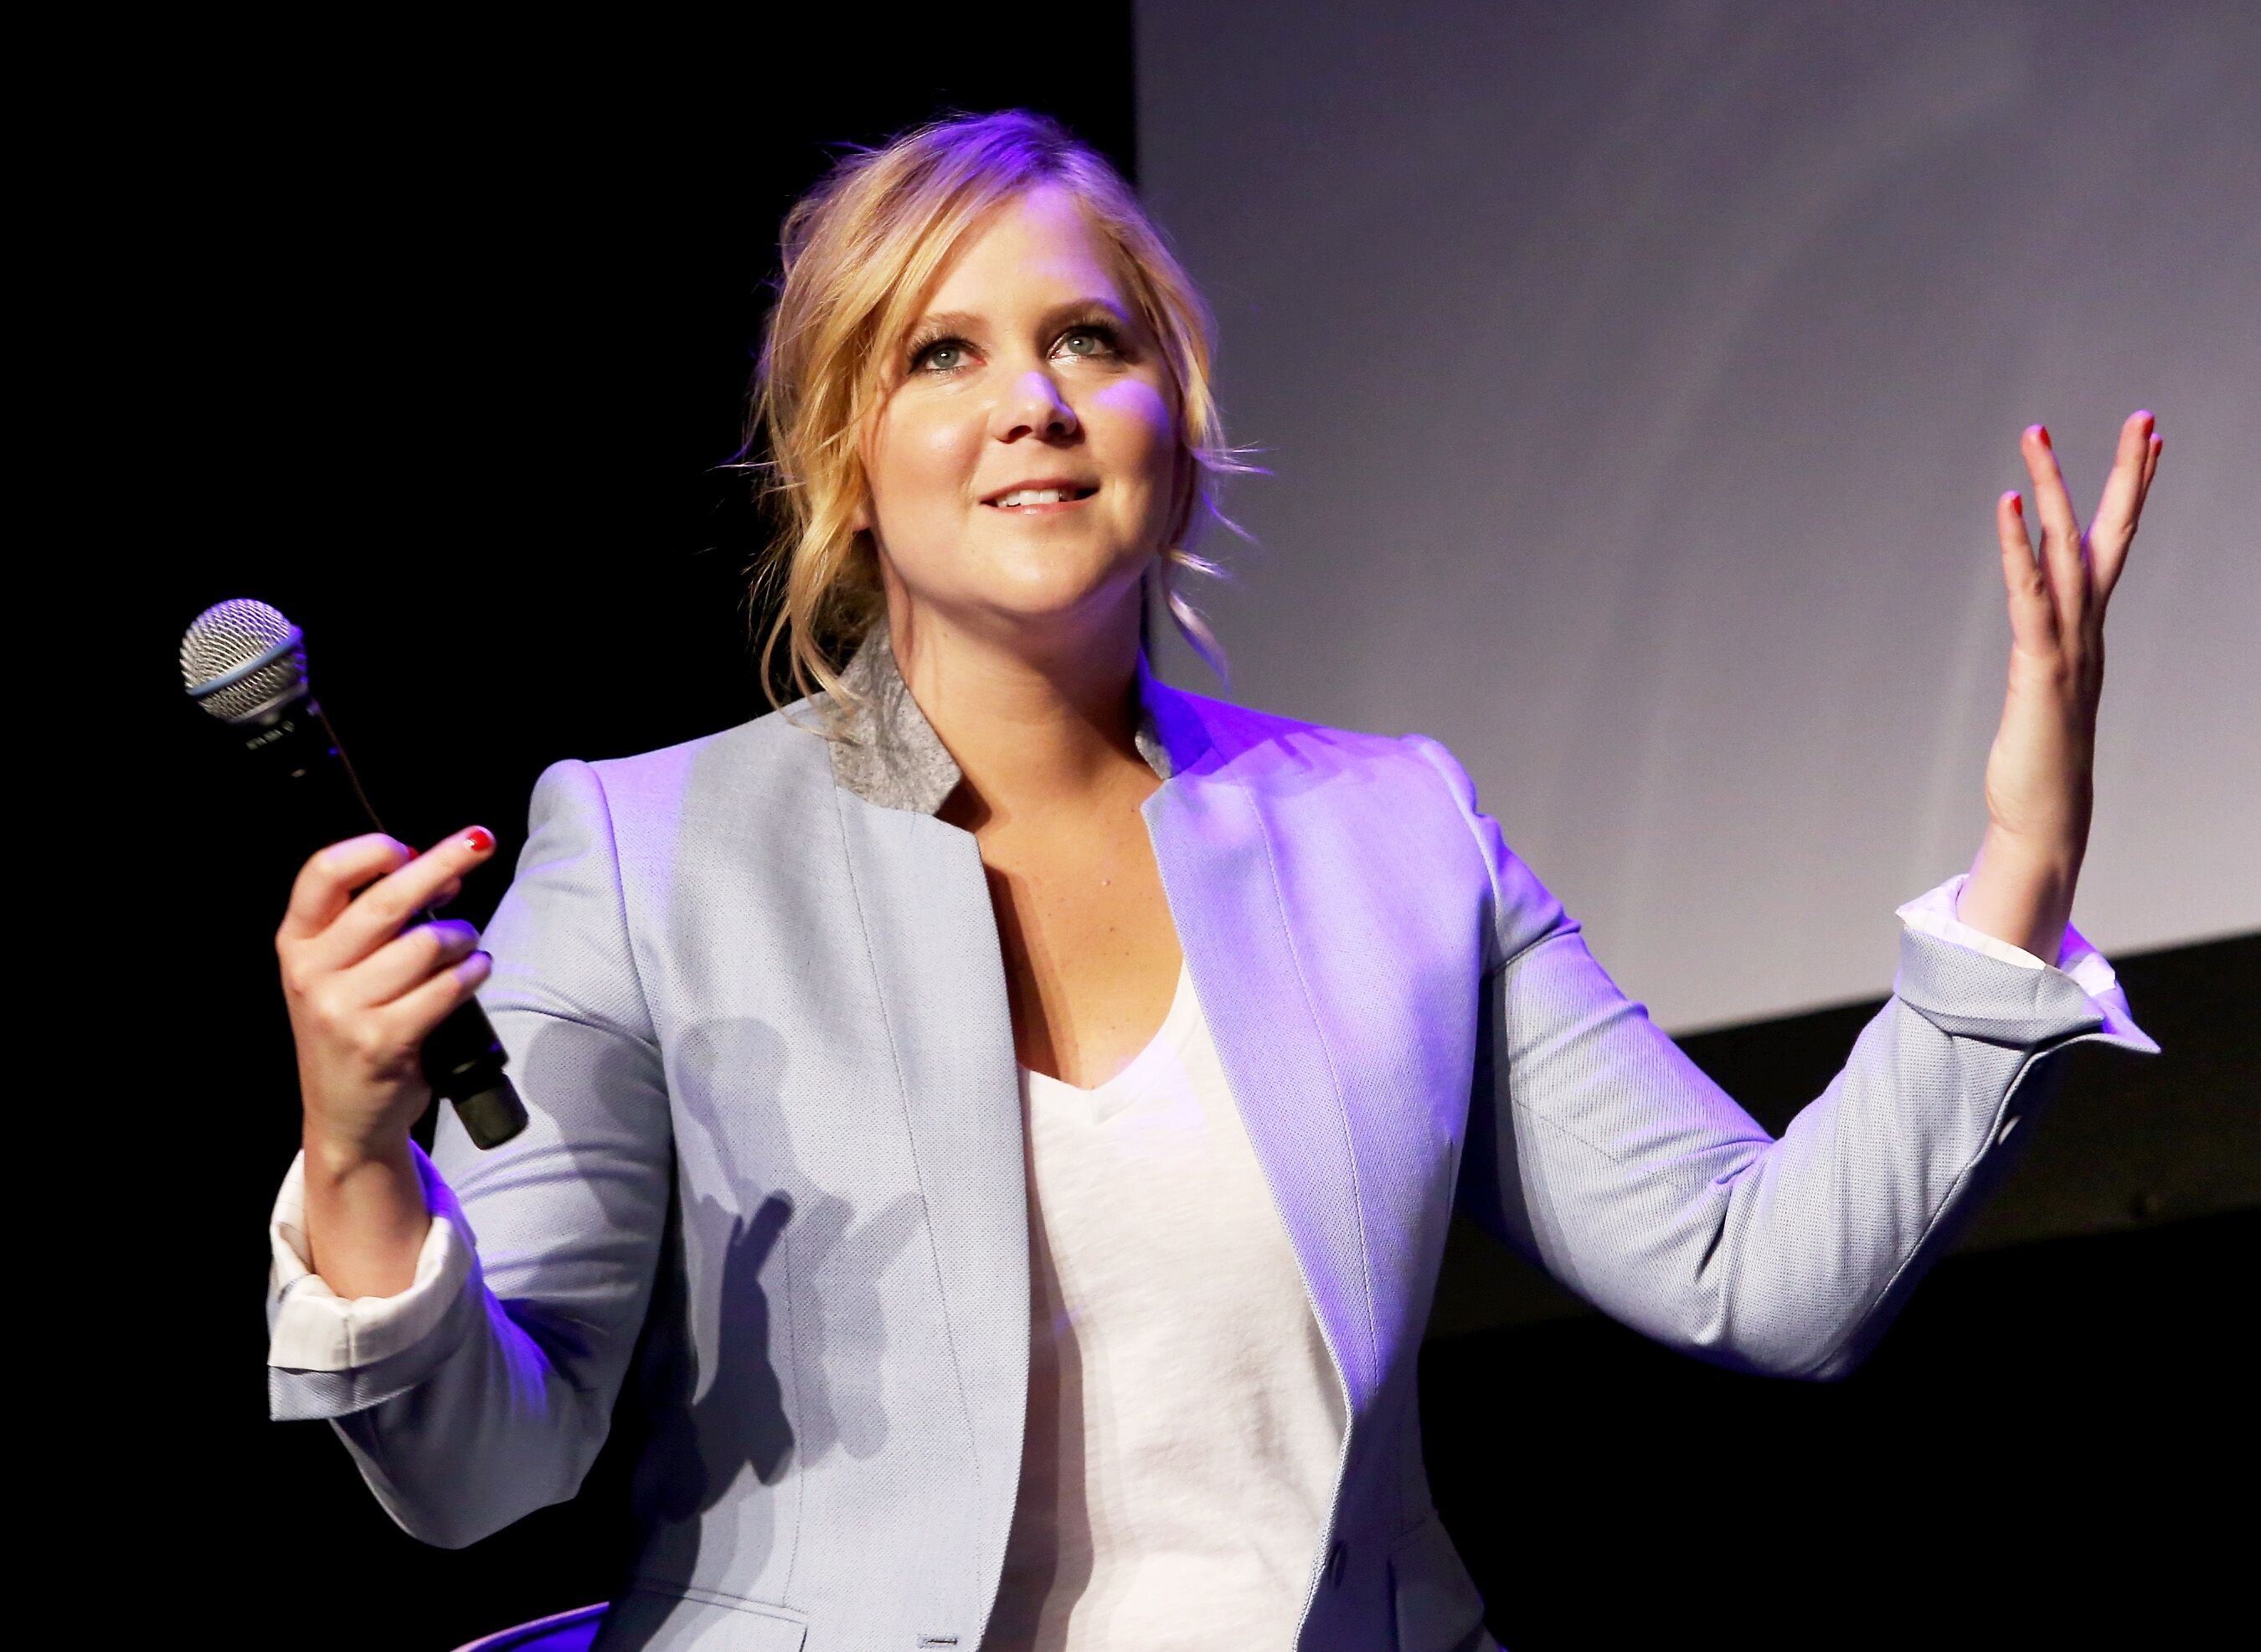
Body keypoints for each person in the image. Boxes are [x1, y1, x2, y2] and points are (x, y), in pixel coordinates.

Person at [262, 111, 2161, 1652]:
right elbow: (480, 1473)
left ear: (1175, 441)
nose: (1034, 402)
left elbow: (1768, 1284)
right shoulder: (651, 849)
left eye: (1088, 341)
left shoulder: (1391, 833)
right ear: (848, 460)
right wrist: (358, 1156)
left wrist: (2022, 865)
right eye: (946, 352)